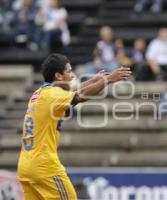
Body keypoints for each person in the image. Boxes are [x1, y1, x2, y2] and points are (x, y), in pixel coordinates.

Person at [17, 53, 131, 200]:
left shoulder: (40, 93)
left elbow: (72, 91)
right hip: (44, 167)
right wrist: (107, 79)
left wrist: (95, 80)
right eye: (69, 71)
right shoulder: (53, 94)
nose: (72, 76)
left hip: (25, 167)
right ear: (58, 76)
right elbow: (79, 96)